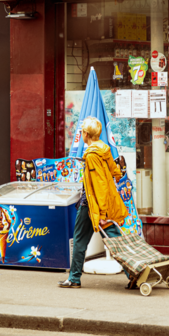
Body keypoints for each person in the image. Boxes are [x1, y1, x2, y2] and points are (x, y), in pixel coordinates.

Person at [59, 117, 131, 288]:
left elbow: (98, 186)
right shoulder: (104, 150)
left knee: (79, 241)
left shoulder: (91, 155)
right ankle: (134, 273)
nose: (81, 133)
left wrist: (102, 213)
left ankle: (74, 278)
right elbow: (116, 172)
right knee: (116, 241)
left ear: (86, 134)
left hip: (91, 206)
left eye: (82, 131)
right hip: (102, 204)